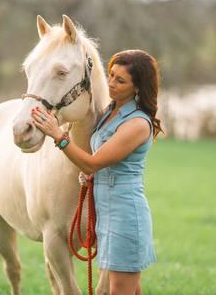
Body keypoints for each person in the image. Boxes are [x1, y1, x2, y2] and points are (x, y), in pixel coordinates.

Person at [31, 49, 164, 295]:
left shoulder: (136, 124)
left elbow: (93, 162)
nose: (111, 84)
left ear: (137, 87)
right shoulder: (109, 114)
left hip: (125, 217)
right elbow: (100, 165)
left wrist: (58, 135)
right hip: (107, 213)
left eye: (121, 80)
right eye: (111, 75)